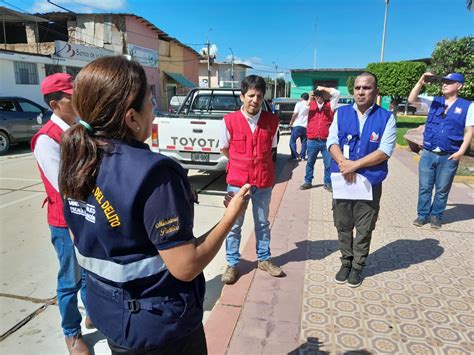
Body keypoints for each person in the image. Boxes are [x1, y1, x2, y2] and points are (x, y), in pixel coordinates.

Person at [58, 56, 250, 354]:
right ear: (131, 118)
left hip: (111, 316)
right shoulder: (154, 172)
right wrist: (231, 216)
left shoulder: (78, 160)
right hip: (159, 328)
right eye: (150, 102)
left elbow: (84, 235)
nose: (154, 110)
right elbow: (186, 265)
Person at [31, 73, 92, 355]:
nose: (77, 99)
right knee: (71, 279)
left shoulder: (80, 127)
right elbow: (66, 185)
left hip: (88, 214)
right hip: (65, 221)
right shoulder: (46, 139)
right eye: (71, 96)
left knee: (92, 271)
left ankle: (94, 312)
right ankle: (72, 332)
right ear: (55, 104)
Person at [327, 72, 396, 287]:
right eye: (357, 88)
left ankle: (358, 266)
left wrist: (354, 165)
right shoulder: (341, 113)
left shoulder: (386, 117)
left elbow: (385, 151)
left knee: (365, 227)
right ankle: (346, 261)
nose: (361, 92)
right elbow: (332, 141)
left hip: (369, 183)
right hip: (343, 181)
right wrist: (342, 163)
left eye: (366, 88)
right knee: (343, 224)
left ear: (376, 91)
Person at [219, 75, 284, 285]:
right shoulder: (229, 121)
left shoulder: (272, 121)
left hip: (263, 182)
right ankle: (232, 263)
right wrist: (241, 164)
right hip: (238, 183)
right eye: (250, 95)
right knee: (234, 224)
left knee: (263, 223)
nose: (255, 100)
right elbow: (224, 148)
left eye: (259, 96)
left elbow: (271, 147)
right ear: (242, 96)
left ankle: (264, 259)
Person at [409, 72, 474, 229]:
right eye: (444, 81)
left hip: (449, 155)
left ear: (459, 86)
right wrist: (420, 82)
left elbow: (469, 131)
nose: (444, 84)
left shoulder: (468, 106)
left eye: (450, 82)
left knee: (442, 189)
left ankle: (436, 216)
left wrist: (460, 152)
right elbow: (411, 100)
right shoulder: (434, 101)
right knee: (425, 186)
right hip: (429, 152)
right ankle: (422, 215)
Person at [300, 86, 340, 192]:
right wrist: (310, 98)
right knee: (310, 162)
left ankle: (327, 183)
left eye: (321, 95)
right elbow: (303, 111)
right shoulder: (310, 105)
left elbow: (337, 93)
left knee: (328, 164)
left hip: (326, 140)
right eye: (317, 95)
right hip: (312, 140)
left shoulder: (330, 105)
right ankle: (308, 182)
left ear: (324, 96)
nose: (319, 97)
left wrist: (323, 88)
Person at [288, 92, 309, 161]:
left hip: (297, 125)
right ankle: (303, 156)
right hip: (305, 126)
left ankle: (295, 156)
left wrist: (291, 122)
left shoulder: (299, 104)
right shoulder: (309, 105)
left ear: (301, 98)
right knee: (304, 142)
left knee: (292, 141)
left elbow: (295, 113)